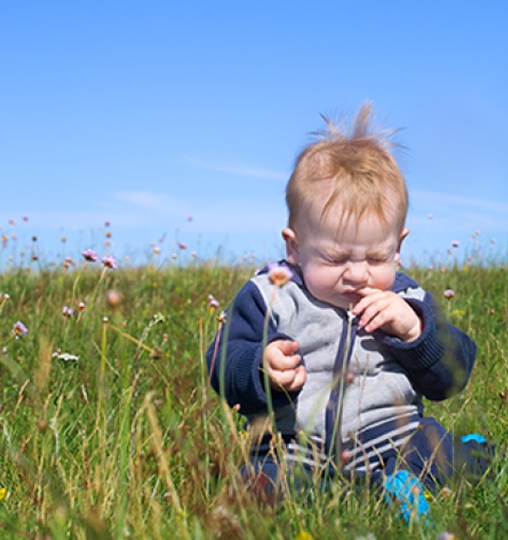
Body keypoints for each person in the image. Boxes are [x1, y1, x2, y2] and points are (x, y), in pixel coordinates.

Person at [206, 103, 490, 521]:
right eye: (336, 258)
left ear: (398, 246)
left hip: (392, 439)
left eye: (376, 257)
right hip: (295, 444)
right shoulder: (272, 295)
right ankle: (288, 496)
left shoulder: (407, 298)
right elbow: (222, 360)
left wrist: (415, 331)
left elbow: (454, 374)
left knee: (431, 448)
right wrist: (260, 366)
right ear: (295, 247)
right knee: (263, 481)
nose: (358, 274)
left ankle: (419, 477)